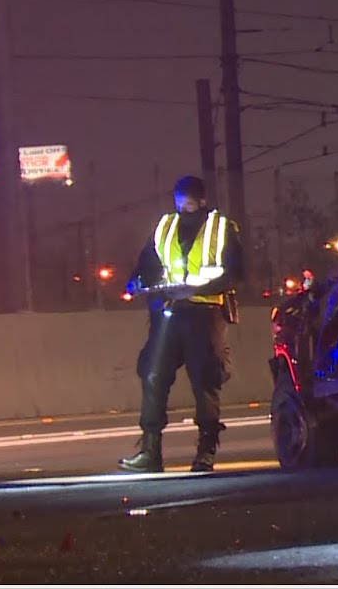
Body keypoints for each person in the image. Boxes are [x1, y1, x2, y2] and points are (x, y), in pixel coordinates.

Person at [118, 176, 245, 473]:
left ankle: (206, 450)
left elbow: (236, 272)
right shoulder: (165, 226)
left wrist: (199, 290)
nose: (183, 210)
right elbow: (148, 262)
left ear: (202, 201)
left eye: (188, 205)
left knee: (205, 379)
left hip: (205, 314)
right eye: (179, 204)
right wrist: (136, 281)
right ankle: (150, 451)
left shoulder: (222, 228)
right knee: (152, 373)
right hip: (169, 312)